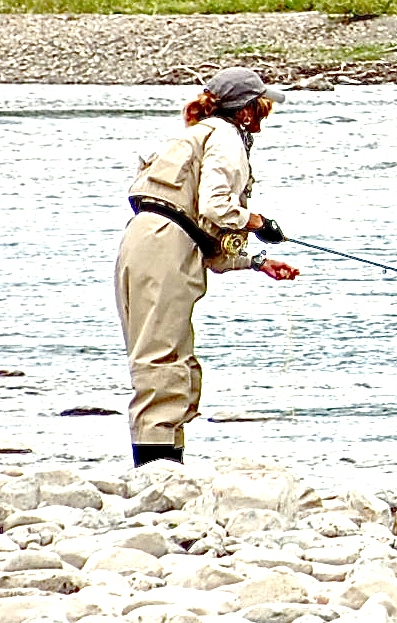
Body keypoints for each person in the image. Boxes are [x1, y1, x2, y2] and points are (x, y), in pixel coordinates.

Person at [114, 67, 300, 468]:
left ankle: (164, 468)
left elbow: (206, 241)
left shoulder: (189, 137)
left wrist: (258, 262)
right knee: (162, 359)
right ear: (247, 112)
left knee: (165, 354)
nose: (265, 116)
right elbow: (216, 207)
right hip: (166, 246)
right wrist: (258, 222)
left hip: (143, 240)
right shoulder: (227, 137)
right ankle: (155, 475)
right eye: (261, 107)